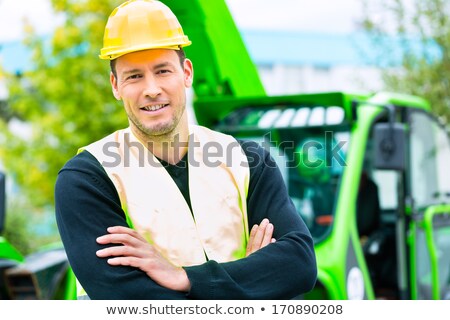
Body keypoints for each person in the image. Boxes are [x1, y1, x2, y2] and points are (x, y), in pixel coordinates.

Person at [55, 0, 317, 300]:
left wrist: (181, 277)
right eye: (134, 76)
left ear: (187, 73)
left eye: (163, 70)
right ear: (115, 85)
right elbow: (125, 297)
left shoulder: (247, 159)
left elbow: (299, 264)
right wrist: (250, 278)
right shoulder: (88, 177)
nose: (151, 88)